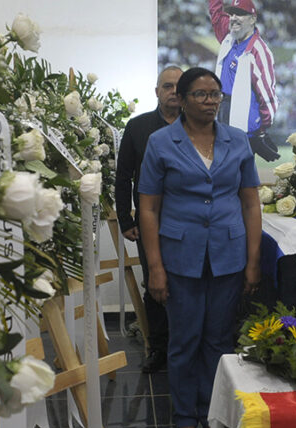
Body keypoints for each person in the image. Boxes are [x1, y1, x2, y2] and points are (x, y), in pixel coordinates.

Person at [137, 67, 261, 428]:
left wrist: (253, 260)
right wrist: (154, 267)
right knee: (184, 341)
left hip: (228, 255)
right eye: (201, 94)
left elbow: (250, 202)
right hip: (179, 258)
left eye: (215, 94)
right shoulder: (160, 142)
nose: (210, 101)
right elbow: (149, 208)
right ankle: (184, 420)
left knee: (219, 342)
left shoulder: (237, 140)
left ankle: (215, 416)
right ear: (182, 98)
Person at [114, 66, 183, 373]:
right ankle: (158, 347)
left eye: (178, 87)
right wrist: (123, 218)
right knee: (154, 283)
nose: (173, 92)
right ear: (157, 91)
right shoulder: (139, 126)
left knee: (186, 282)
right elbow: (123, 175)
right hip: (148, 219)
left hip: (188, 220)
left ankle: (186, 345)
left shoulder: (199, 127)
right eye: (167, 86)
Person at [208, 0, 280, 161]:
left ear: (252, 19)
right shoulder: (229, 38)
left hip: (243, 127)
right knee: (220, 175)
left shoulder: (259, 51)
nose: (233, 18)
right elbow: (216, 14)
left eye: (240, 14)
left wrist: (260, 130)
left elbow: (268, 96)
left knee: (239, 178)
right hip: (221, 114)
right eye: (232, 13)